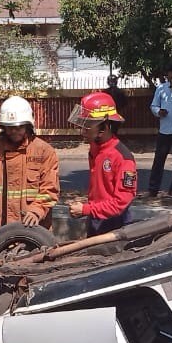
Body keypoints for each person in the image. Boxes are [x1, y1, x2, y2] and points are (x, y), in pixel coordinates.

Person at [0, 96, 60, 241]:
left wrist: (36, 212)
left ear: (28, 125)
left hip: (35, 229)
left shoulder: (44, 151)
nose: (14, 131)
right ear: (3, 127)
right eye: (10, 127)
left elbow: (49, 189)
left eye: (19, 127)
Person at [67, 91, 137, 235]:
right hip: (95, 220)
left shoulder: (123, 158)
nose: (82, 131)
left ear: (104, 128)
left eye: (87, 126)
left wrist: (86, 209)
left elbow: (120, 203)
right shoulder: (95, 148)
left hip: (116, 226)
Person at [148, 64, 172, 197]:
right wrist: (159, 112)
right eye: (171, 74)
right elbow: (154, 105)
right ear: (168, 75)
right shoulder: (161, 89)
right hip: (165, 130)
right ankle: (153, 189)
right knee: (159, 160)